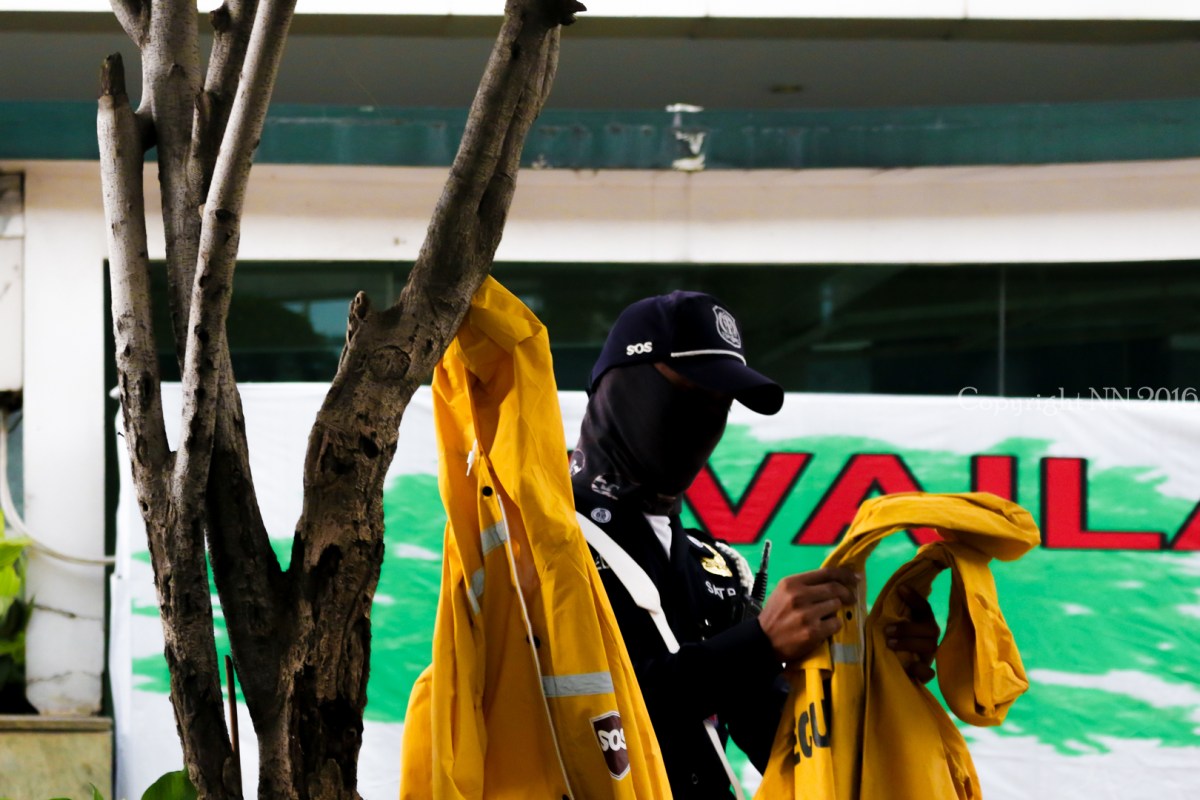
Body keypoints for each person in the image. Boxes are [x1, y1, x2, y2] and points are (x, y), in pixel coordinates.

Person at [570, 291, 939, 798]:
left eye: (720, 404)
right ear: (620, 386)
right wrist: (759, 644)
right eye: (689, 392)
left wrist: (878, 678)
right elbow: (580, 719)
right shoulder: (536, 542)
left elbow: (785, 749)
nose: (705, 420)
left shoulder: (716, 568)